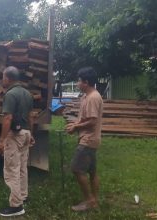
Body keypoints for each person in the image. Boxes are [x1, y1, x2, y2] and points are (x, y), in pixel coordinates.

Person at [0, 66, 35, 217]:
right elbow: (31, 116)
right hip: (26, 133)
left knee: (12, 169)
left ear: (8, 78)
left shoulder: (10, 94)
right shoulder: (27, 93)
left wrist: (1, 140)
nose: (2, 79)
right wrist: (31, 133)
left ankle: (16, 206)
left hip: (15, 135)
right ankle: (23, 196)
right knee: (22, 168)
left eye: (3, 77)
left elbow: (8, 118)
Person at [65, 67, 103, 212]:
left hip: (88, 140)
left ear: (86, 82)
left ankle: (89, 201)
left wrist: (76, 127)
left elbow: (92, 121)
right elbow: (87, 118)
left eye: (79, 81)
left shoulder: (93, 97)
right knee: (92, 172)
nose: (77, 83)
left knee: (76, 169)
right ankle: (94, 201)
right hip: (91, 139)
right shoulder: (87, 96)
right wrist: (76, 124)